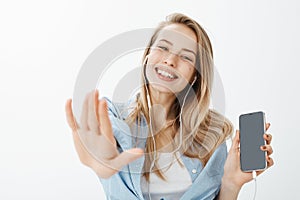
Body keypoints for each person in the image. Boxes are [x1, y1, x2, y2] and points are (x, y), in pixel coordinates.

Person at [65, 13, 274, 200]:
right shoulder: (115, 118)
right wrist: (100, 160)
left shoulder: (212, 137)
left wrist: (231, 183)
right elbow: (100, 153)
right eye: (163, 47)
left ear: (195, 76)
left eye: (186, 57)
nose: (170, 60)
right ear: (147, 56)